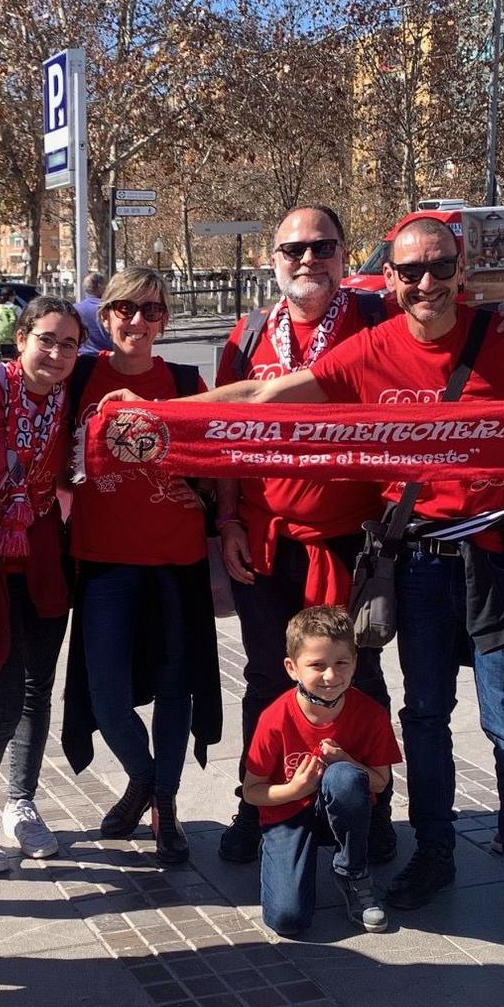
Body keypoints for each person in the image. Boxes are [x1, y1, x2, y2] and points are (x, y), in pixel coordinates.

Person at [199, 214, 504, 948]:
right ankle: (435, 854)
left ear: (462, 270)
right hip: (419, 564)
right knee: (423, 720)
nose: (425, 282)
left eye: (439, 267)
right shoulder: (371, 348)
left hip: (495, 561)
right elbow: (266, 400)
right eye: (409, 271)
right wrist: (156, 414)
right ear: (388, 280)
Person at [209, 206, 393, 867]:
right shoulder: (248, 331)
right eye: (294, 249)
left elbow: (455, 323)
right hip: (264, 543)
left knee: (360, 677)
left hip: (349, 544)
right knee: (266, 678)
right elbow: (226, 435)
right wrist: (228, 518)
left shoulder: (378, 323)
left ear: (346, 256)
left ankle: (373, 807)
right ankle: (258, 805)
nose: (307, 259)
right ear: (273, 258)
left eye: (323, 247)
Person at [60, 267, 220, 864]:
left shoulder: (183, 380)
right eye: (126, 308)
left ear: (165, 320)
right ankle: (147, 779)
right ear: (104, 317)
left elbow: (217, 458)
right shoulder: (80, 374)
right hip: (104, 560)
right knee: (104, 694)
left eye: (152, 311)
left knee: (176, 689)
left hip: (175, 559)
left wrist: (201, 494)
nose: (138, 321)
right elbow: (17, 378)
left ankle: (166, 806)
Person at [0, 297, 83, 873]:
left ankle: (20, 803)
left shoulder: (68, 395)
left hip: (48, 558)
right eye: (45, 340)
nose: (55, 353)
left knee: (37, 693)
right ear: (20, 338)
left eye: (69, 345)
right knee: (1, 700)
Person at [244, 605, 399, 938]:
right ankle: (280, 853)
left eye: (341, 663)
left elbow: (381, 781)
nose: (331, 676)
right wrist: (295, 789)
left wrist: (346, 760)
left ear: (355, 663)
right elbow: (251, 790)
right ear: (292, 668)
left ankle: (352, 872)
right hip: (287, 811)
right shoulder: (274, 718)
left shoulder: (370, 714)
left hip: (341, 810)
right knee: (288, 920)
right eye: (317, 665)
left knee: (344, 778)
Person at [73, 272, 113, 355]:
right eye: (106, 285)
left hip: (81, 357)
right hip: (106, 359)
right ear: (100, 286)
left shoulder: (75, 309)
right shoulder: (109, 309)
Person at [0, 286, 21, 355]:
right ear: (10, 297)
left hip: (2, 342)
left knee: (3, 361)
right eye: (14, 296)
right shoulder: (17, 309)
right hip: (16, 342)